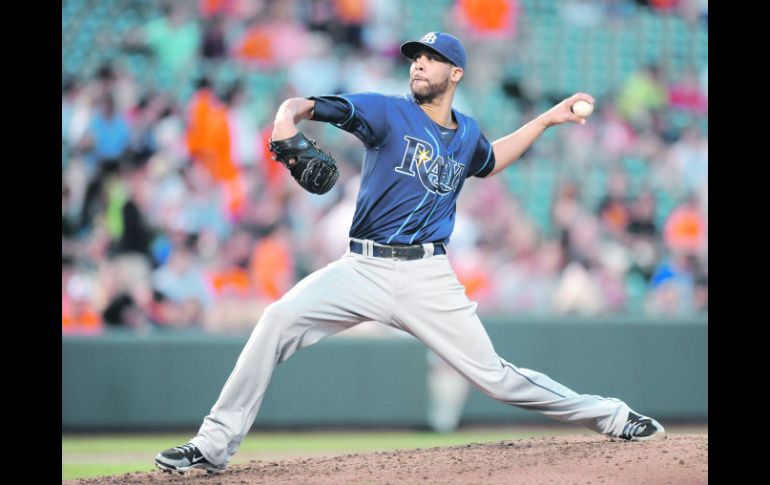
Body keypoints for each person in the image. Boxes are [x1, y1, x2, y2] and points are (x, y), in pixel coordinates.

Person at [155, 31, 666, 475]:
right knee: (275, 320)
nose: (418, 63)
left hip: (428, 275)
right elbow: (312, 106)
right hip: (362, 267)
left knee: (496, 378)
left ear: (455, 73)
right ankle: (213, 444)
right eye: (414, 57)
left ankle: (612, 416)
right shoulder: (388, 111)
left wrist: (545, 121)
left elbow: (489, 162)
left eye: (430, 57)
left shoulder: (465, 133)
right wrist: (286, 116)